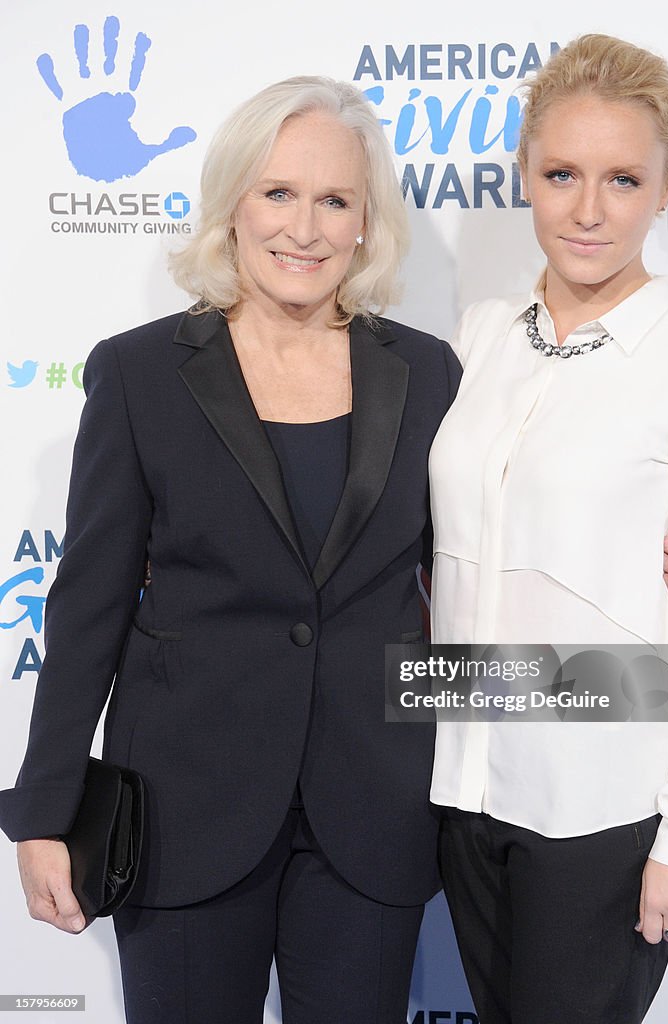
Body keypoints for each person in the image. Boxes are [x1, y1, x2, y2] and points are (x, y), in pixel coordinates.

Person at [0, 77, 462, 1024]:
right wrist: (44, 811)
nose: (304, 227)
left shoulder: (425, 372)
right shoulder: (139, 373)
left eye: (334, 199)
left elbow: (471, 574)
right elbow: (85, 602)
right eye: (277, 193)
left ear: (367, 221)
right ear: (232, 207)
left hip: (371, 811)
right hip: (184, 808)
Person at [428, 34, 668, 1024]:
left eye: (621, 178)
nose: (587, 209)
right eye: (560, 174)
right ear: (525, 179)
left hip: (602, 809)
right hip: (465, 785)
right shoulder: (479, 337)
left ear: (663, 191)